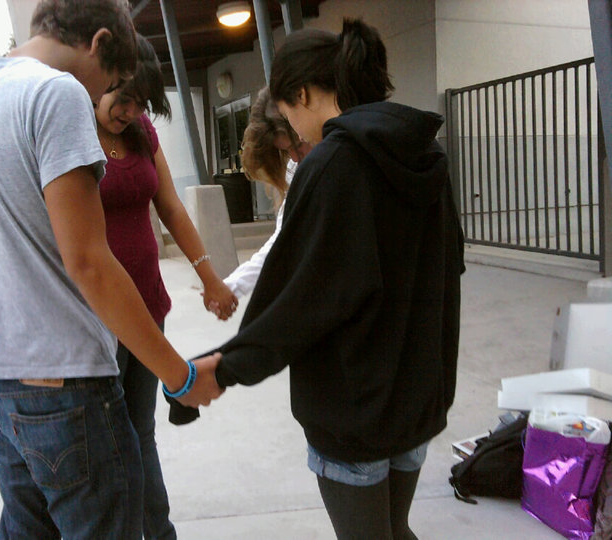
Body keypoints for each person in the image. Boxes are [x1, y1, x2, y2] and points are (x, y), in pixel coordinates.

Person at [0, 1, 223, 538]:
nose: (103, 95)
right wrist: (178, 375)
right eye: (113, 79)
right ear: (97, 43)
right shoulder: (56, 92)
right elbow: (89, 262)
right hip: (63, 383)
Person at [181, 18, 466, 539]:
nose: (294, 131)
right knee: (396, 530)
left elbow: (299, 301)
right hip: (418, 396)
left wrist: (224, 369)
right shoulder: (429, 157)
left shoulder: (334, 165)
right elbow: (450, 271)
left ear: (305, 93)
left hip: (353, 409)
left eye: (289, 113)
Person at [95, 35, 237, 539]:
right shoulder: (68, 129)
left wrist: (209, 277)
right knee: (107, 444)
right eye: (122, 99)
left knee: (142, 432)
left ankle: (159, 532)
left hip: (148, 306)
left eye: (139, 105)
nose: (129, 112)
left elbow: (172, 207)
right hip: (97, 317)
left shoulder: (140, 132)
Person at [220, 87, 311, 302]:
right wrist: (233, 285)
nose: (295, 158)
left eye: (298, 145)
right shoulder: (296, 169)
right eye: (285, 150)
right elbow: (282, 240)